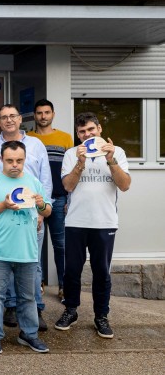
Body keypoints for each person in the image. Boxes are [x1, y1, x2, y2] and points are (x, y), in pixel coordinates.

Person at [55, 112, 131, 338]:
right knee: (72, 272)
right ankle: (71, 310)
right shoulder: (71, 154)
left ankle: (101, 316)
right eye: (82, 132)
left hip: (104, 221)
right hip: (76, 222)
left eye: (90, 130)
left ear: (99, 129)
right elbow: (67, 186)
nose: (87, 134)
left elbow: (125, 185)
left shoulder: (117, 152)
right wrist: (80, 163)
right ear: (78, 135)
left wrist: (110, 159)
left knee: (101, 273)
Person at [0, 104, 52, 331]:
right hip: (2, 215)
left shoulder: (36, 144)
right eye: (4, 117)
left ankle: (36, 310)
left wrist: (41, 211)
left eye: (13, 116)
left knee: (31, 264)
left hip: (31, 214)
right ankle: (11, 308)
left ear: (20, 119)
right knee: (4, 263)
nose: (9, 120)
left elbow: (45, 179)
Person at [27, 98, 73, 300]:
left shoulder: (65, 138)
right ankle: (39, 284)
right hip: (33, 200)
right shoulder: (27, 138)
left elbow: (71, 170)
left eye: (47, 112)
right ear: (34, 115)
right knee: (34, 244)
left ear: (53, 114)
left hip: (59, 198)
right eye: (39, 113)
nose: (43, 116)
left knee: (60, 244)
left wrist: (69, 199)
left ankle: (64, 286)